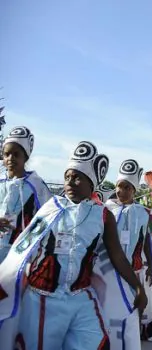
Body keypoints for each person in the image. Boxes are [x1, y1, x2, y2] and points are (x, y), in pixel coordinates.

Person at [0, 141, 147, 350]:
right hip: (43, 299)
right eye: (67, 177)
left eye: (77, 177)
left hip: (81, 298)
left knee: (96, 343)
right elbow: (25, 248)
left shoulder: (103, 216)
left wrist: (138, 287)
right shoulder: (52, 208)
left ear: (91, 184)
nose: (70, 182)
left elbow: (117, 255)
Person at [0, 126, 52, 349]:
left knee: (14, 312)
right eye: (6, 154)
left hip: (20, 261)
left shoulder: (37, 187)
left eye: (16, 154)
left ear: (26, 157)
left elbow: (49, 222)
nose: (11, 159)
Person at [96, 159, 152, 349]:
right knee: (109, 312)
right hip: (109, 271)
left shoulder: (143, 213)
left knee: (134, 309)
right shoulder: (105, 210)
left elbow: (146, 240)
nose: (121, 191)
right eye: (119, 186)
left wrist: (151, 267)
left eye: (127, 187)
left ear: (134, 190)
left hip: (134, 271)